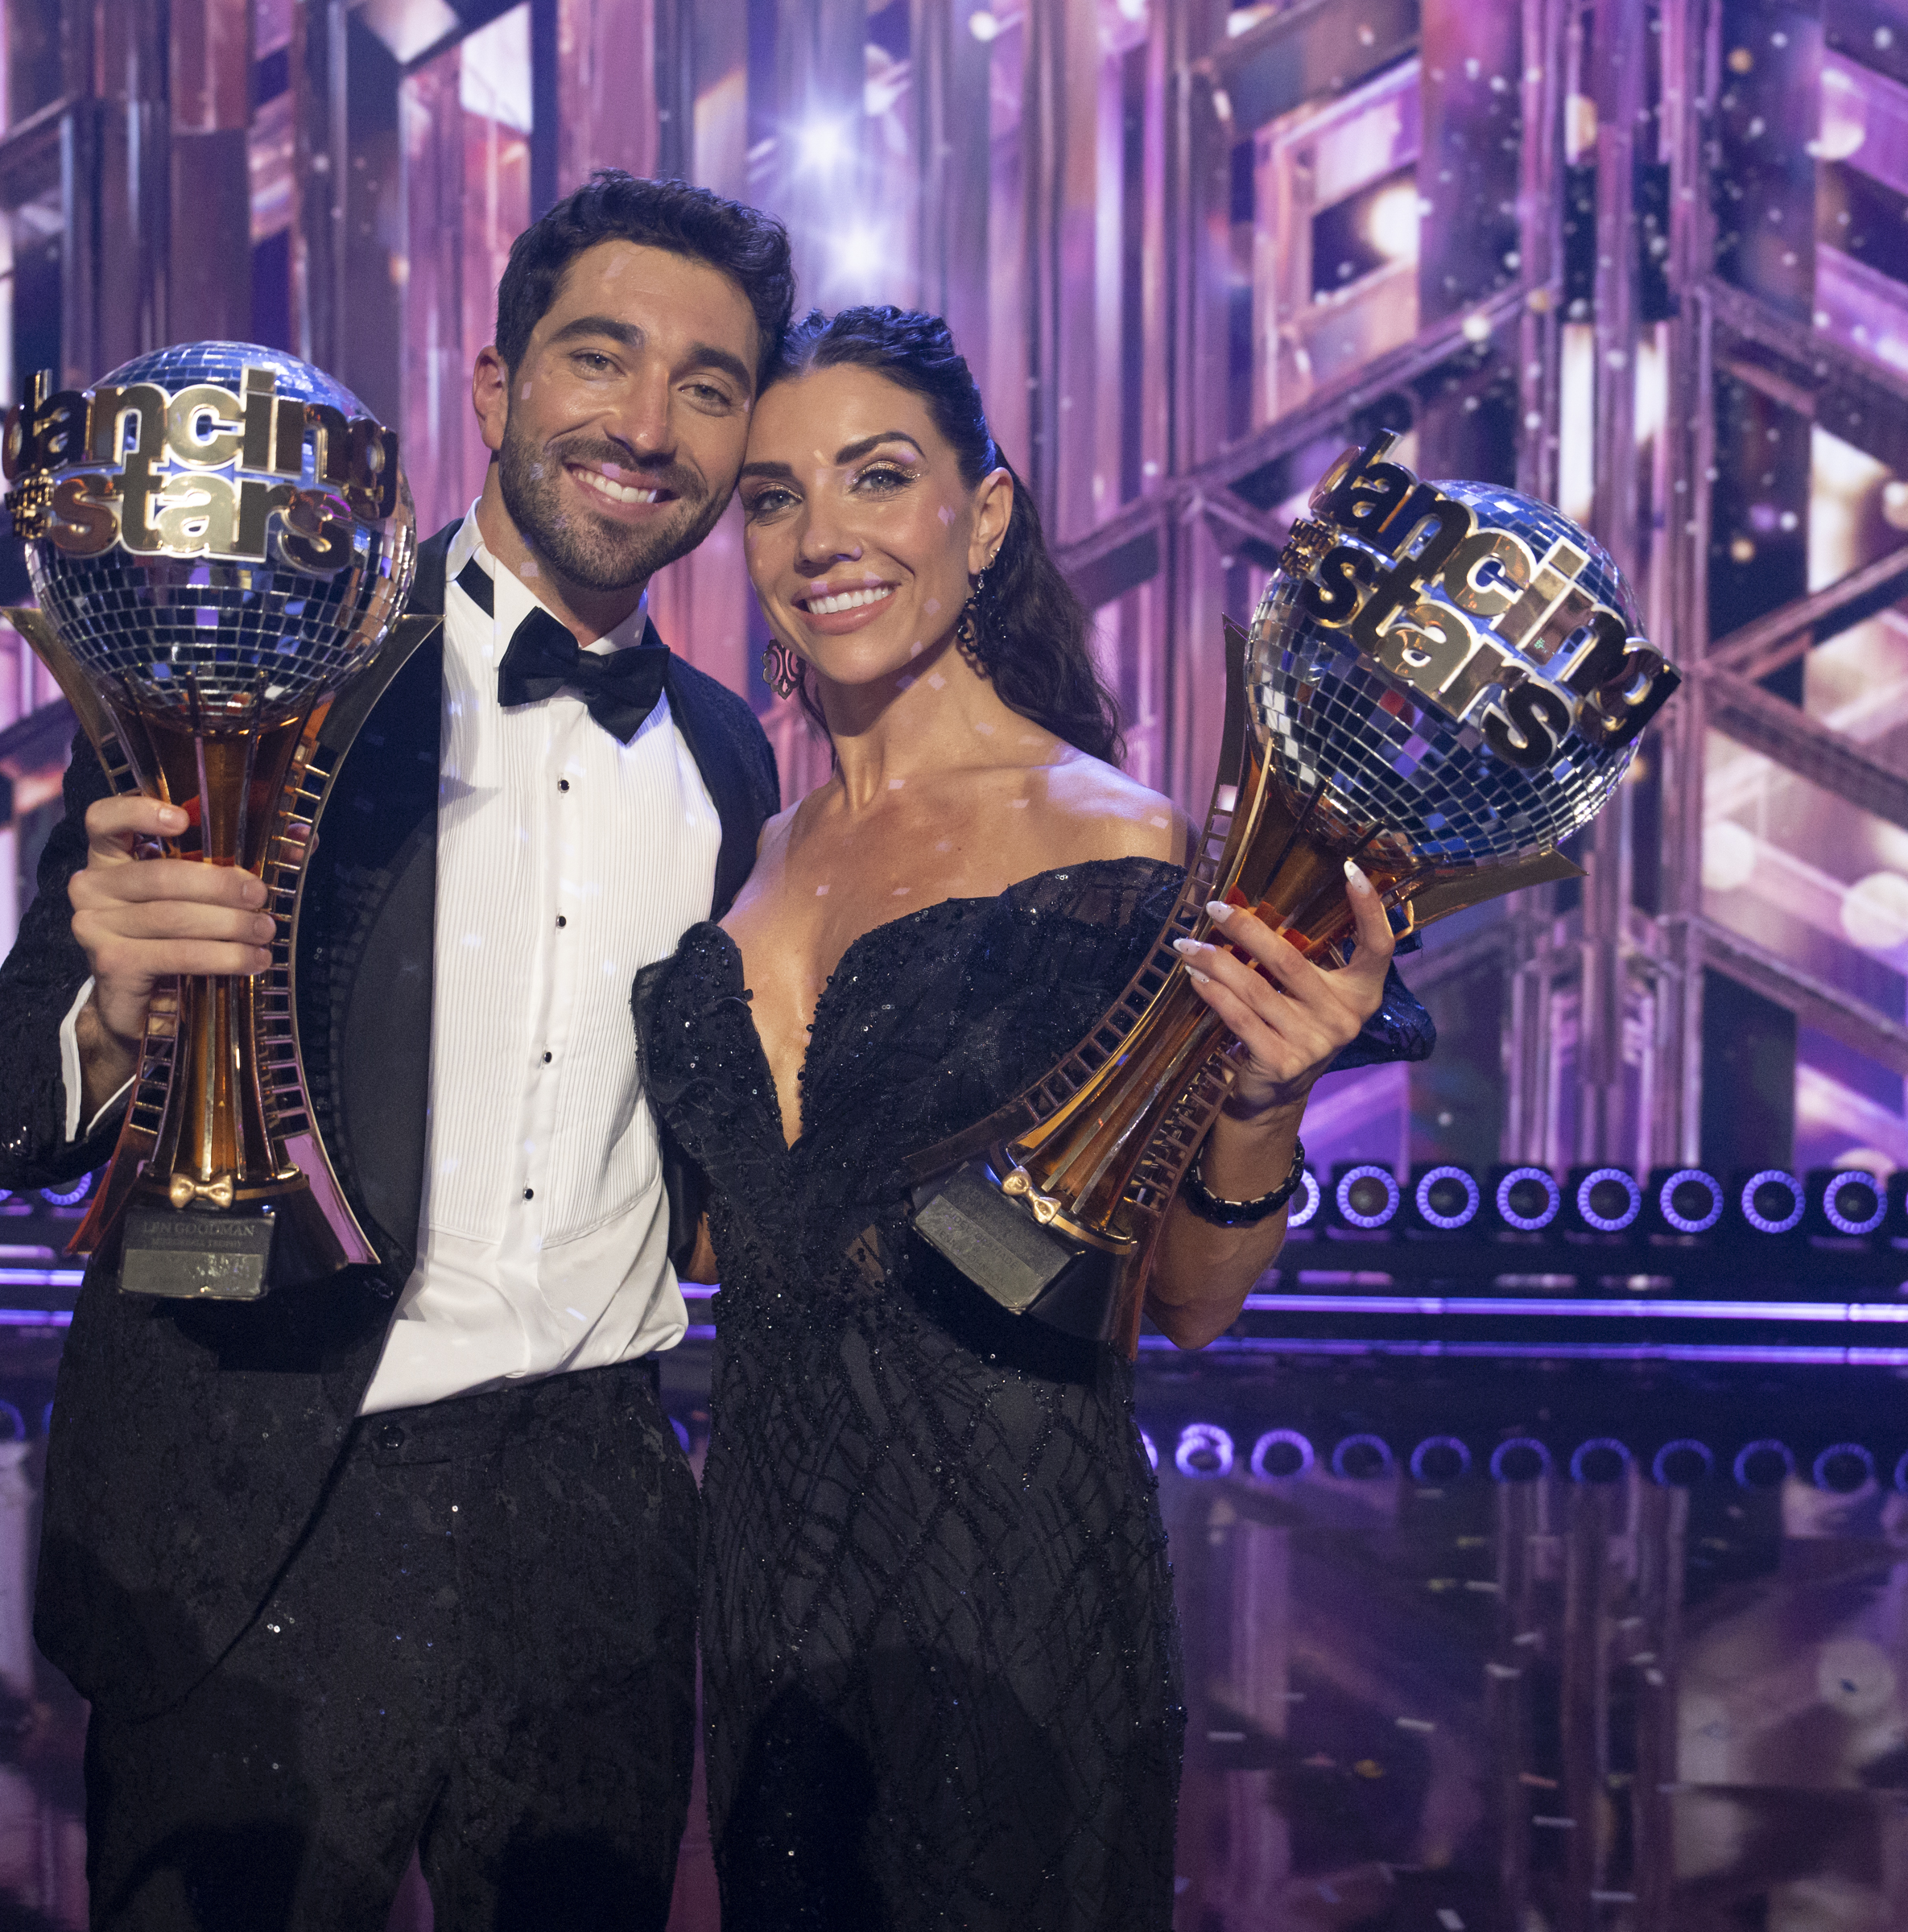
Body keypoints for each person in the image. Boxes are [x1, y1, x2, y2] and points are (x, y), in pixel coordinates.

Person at [0, 172, 792, 1930]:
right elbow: (6, 1114)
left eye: (707, 386)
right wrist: (109, 1013)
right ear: (493, 389)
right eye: (601, 358)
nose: (646, 425)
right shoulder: (257, 643)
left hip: (593, 1537)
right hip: (260, 1507)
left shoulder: (731, 762)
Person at [633, 307, 1435, 1929]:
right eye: (777, 496)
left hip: (1007, 1603)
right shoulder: (743, 850)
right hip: (768, 1602)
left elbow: (1194, 1306)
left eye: (878, 477)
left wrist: (1267, 1096)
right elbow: (733, 1237)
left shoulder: (1126, 861)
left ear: (980, 516)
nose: (823, 537)